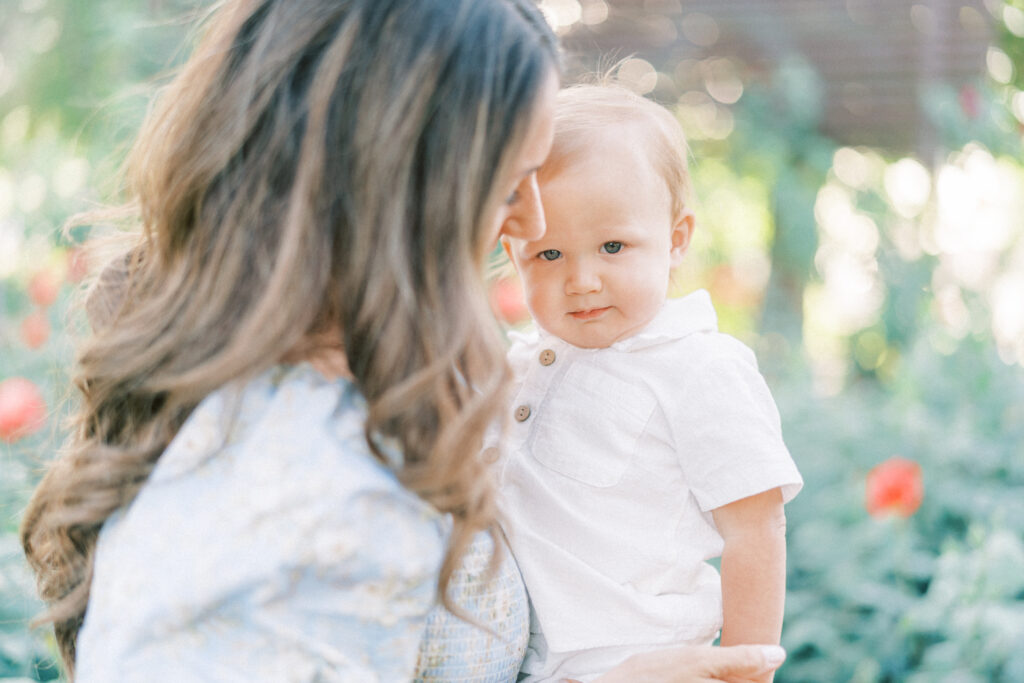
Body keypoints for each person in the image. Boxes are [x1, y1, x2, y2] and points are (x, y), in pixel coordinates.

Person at [19, 1, 788, 680]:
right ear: (400, 174)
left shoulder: (365, 400)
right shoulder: (290, 465)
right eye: (509, 178)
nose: (532, 225)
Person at [496, 84, 804, 683]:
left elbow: (756, 527)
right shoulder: (519, 366)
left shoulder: (699, 367)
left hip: (640, 660)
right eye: (549, 255)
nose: (582, 279)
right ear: (514, 255)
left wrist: (744, 668)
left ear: (676, 240)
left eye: (613, 246)